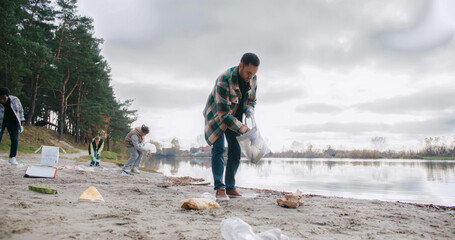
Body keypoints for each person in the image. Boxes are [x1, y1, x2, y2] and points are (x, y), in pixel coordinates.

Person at [203, 53, 260, 201]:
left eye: (254, 73)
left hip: (236, 118)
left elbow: (251, 100)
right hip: (218, 116)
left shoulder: (253, 79)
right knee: (219, 148)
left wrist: (249, 109)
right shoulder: (224, 80)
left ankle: (230, 186)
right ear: (240, 65)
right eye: (248, 72)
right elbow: (224, 116)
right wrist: (245, 130)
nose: (251, 76)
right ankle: (219, 188)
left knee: (235, 151)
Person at [0, 87, 25, 165]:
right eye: (0, 98)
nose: (1, 100)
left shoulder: (15, 100)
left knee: (15, 139)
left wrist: (22, 120)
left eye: (3, 98)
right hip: (1, 122)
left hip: (13, 122)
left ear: (8, 96)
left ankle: (12, 158)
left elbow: (20, 110)